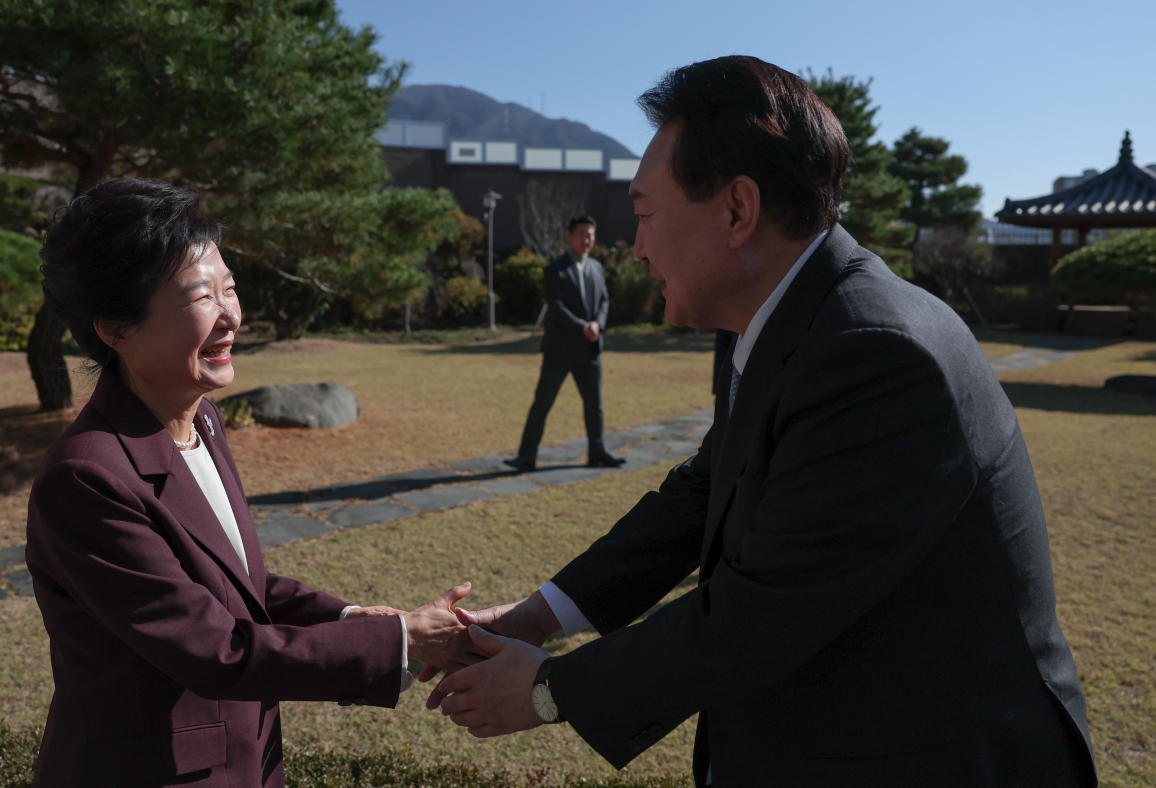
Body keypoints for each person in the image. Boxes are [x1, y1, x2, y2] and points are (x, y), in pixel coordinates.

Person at [426, 57, 1097, 787]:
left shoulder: (877, 352)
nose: (637, 245)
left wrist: (550, 688)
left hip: (927, 754)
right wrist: (537, 615)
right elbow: (702, 492)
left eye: (646, 214)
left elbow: (760, 613)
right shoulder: (780, 316)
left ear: (737, 210)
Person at [26, 179, 476, 788]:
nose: (232, 315)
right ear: (116, 329)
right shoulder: (86, 478)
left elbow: (239, 584)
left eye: (230, 287)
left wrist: (354, 618)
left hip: (244, 761)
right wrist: (396, 641)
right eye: (201, 296)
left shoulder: (201, 420)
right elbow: (216, 649)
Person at [504, 216, 626, 471]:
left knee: (595, 405)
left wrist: (597, 325)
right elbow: (556, 307)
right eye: (582, 234)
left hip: (590, 349)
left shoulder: (597, 267)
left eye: (591, 234)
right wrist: (583, 326)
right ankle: (526, 456)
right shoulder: (555, 269)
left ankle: (598, 451)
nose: (587, 239)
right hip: (559, 350)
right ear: (569, 236)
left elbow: (604, 301)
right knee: (542, 404)